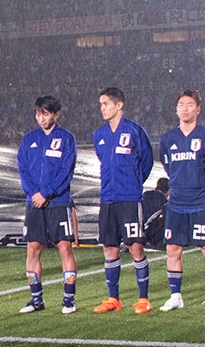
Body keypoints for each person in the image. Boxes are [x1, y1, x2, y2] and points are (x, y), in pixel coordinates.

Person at [158, 90, 205, 311]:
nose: (184, 109)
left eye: (189, 105)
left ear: (198, 109)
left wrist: (203, 186)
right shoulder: (167, 139)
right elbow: (168, 167)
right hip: (176, 204)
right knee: (173, 250)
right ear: (176, 109)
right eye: (181, 104)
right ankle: (175, 296)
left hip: (201, 203)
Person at [92, 87, 155, 314]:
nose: (102, 108)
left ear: (119, 105)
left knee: (135, 246)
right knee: (109, 248)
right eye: (101, 104)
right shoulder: (99, 135)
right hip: (107, 198)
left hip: (129, 198)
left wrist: (133, 183)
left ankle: (143, 299)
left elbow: (146, 162)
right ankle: (113, 299)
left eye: (106, 104)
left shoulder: (135, 131)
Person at [17, 95, 79, 314]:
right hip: (33, 202)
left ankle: (69, 299)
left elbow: (66, 171)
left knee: (64, 248)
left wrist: (46, 193)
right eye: (38, 114)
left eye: (45, 113)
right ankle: (36, 299)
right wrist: (34, 193)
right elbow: (23, 169)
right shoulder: (28, 139)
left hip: (58, 202)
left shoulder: (66, 138)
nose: (41, 118)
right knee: (33, 249)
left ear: (56, 114)